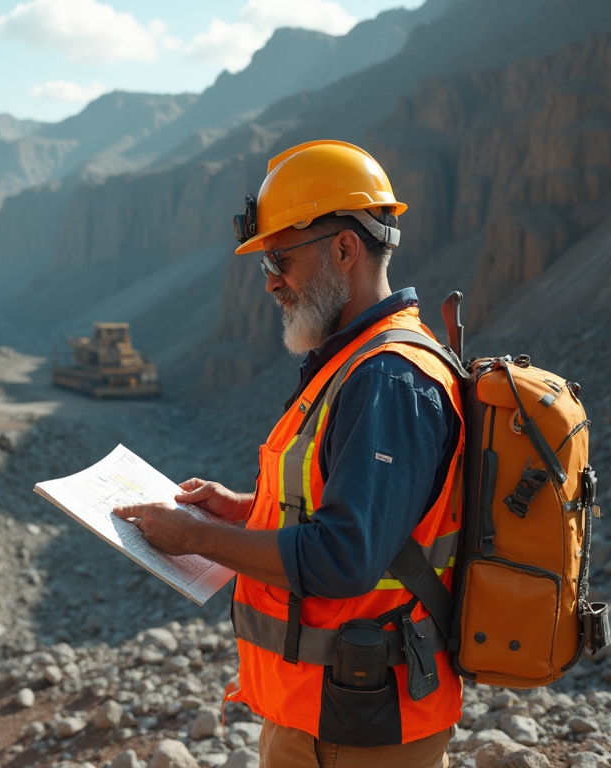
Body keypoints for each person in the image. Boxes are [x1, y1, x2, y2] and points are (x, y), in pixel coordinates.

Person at [114, 140, 463, 768]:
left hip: (362, 730)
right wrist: (243, 509)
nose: (271, 282)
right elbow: (346, 505)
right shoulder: (349, 363)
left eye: (280, 259)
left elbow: (345, 557)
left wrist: (195, 536)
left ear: (344, 249)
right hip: (323, 714)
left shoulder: (388, 378)